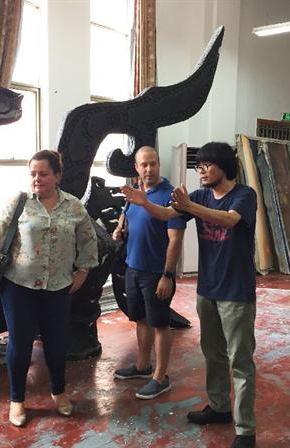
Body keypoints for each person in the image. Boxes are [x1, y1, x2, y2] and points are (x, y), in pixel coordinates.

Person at [121, 142, 258, 448]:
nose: (201, 171)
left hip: (236, 292)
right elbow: (167, 213)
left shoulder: (244, 195)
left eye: (207, 165)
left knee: (240, 361)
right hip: (207, 289)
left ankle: (246, 430)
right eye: (199, 166)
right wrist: (144, 202)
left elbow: (230, 219)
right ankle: (220, 408)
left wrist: (189, 206)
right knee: (213, 353)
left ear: (224, 166)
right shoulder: (199, 196)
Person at [0, 150, 98, 427]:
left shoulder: (73, 206)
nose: (37, 179)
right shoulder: (19, 202)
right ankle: (17, 399)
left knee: (57, 344)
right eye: (32, 173)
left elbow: (88, 240)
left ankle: (59, 391)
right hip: (19, 286)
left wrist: (83, 270)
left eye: (43, 174)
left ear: (57, 176)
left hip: (59, 287)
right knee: (20, 345)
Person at [112, 146, 185, 399]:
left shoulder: (171, 196)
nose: (149, 169)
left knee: (160, 324)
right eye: (144, 164)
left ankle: (160, 377)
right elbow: (128, 218)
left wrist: (168, 275)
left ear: (159, 164)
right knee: (141, 320)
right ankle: (143, 366)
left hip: (156, 273)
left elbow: (175, 240)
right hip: (133, 268)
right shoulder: (134, 194)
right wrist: (119, 230)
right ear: (136, 167)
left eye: (153, 163)